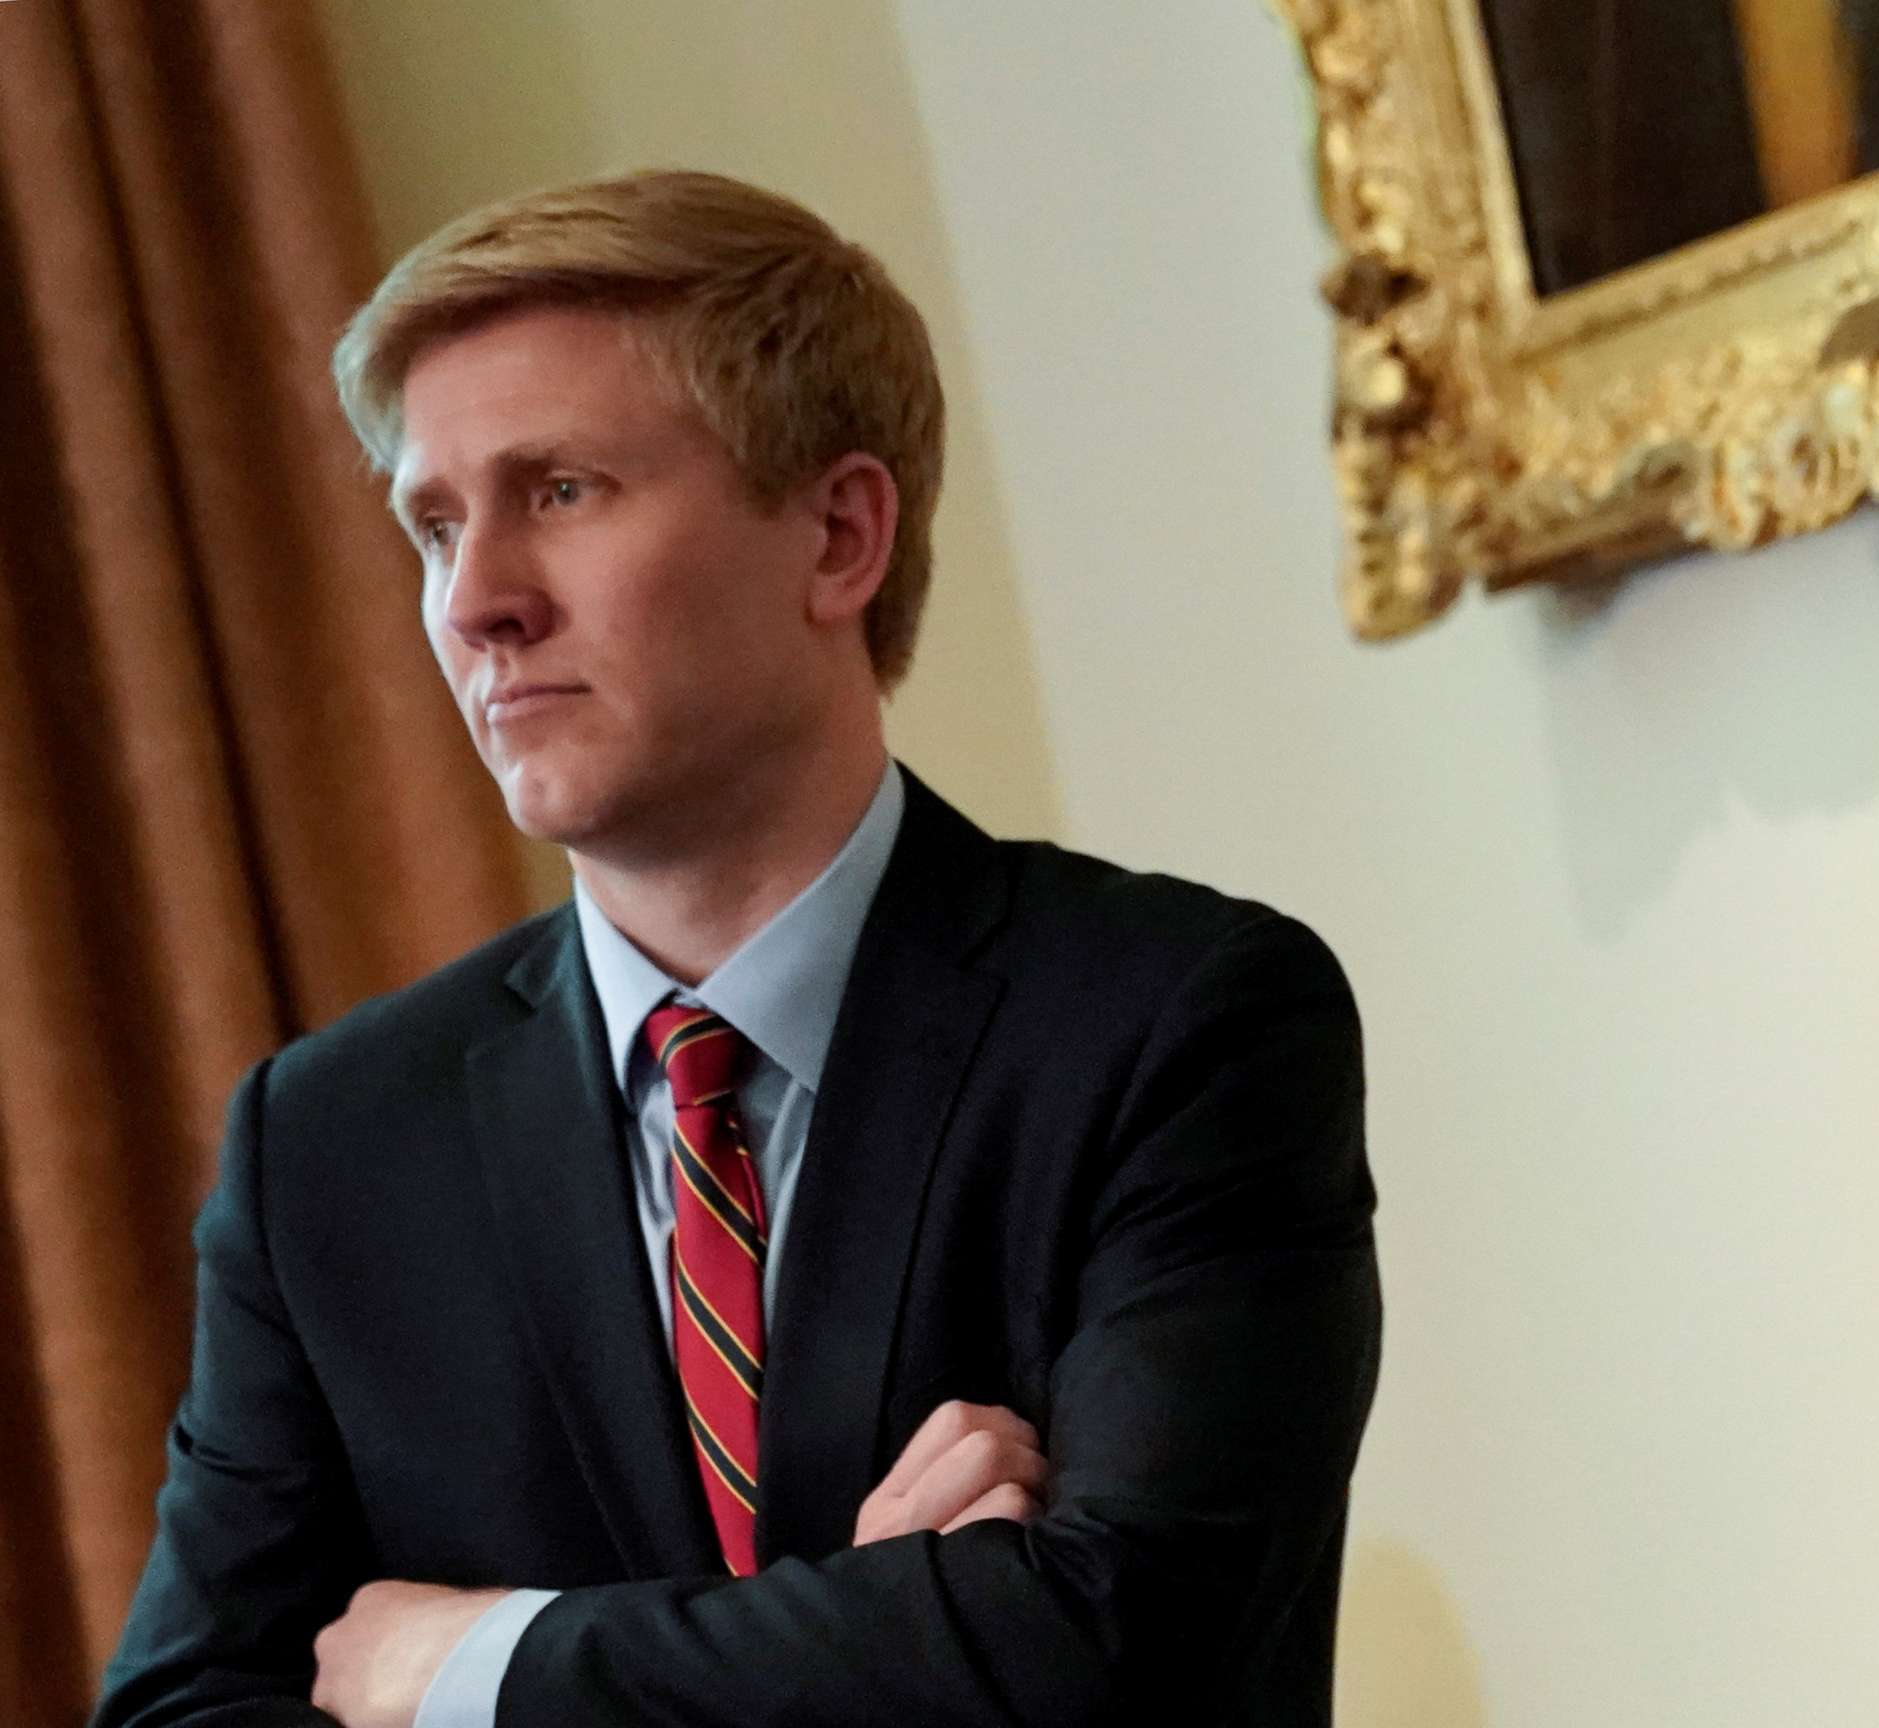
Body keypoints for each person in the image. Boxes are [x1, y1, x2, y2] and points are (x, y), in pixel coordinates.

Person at [91, 169, 1381, 1728]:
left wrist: (468, 1666)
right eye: (436, 525)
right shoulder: (333, 1144)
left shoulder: (1181, 1022)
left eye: (560, 490)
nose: (476, 600)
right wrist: (876, 1629)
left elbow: (1113, 1650)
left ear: (838, 536)